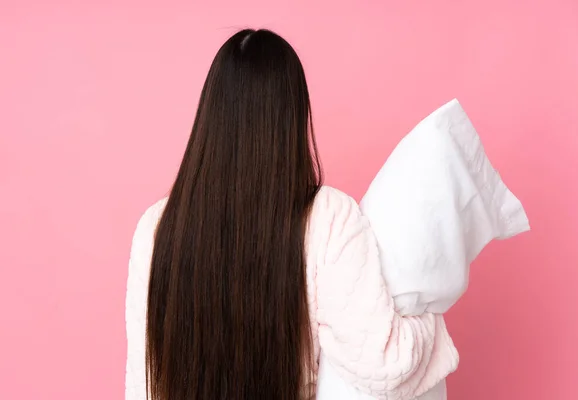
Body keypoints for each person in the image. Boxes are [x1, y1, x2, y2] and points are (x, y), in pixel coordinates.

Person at [125, 29, 458, 400]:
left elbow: (144, 384)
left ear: (210, 113)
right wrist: (430, 323)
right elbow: (383, 364)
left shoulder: (155, 229)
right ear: (293, 117)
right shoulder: (328, 218)